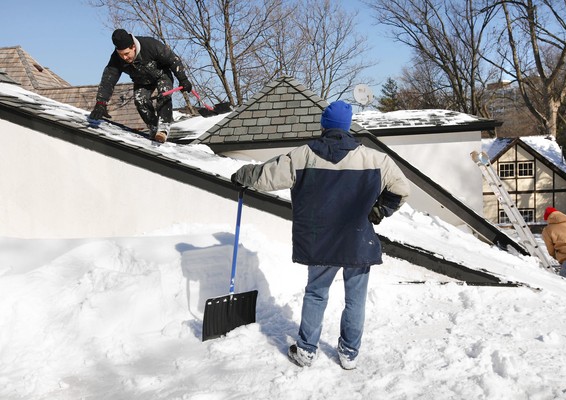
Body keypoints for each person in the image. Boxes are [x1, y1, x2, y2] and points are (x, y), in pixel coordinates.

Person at [230, 101, 411, 370]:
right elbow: (401, 189)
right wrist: (381, 209)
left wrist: (241, 175)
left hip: (320, 241)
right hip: (357, 239)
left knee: (316, 294)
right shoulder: (376, 159)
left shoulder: (303, 155)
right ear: (347, 126)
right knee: (355, 299)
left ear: (324, 125)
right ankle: (349, 353)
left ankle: (306, 351)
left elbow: (266, 176)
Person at [89, 29, 193, 143]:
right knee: (140, 100)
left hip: (162, 75)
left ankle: (163, 128)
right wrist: (101, 103)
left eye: (126, 54)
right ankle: (153, 127)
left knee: (164, 95)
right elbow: (108, 79)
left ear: (133, 47)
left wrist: (183, 79)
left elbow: (173, 60)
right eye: (121, 54)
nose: (124, 58)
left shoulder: (150, 45)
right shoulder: (116, 59)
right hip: (141, 80)